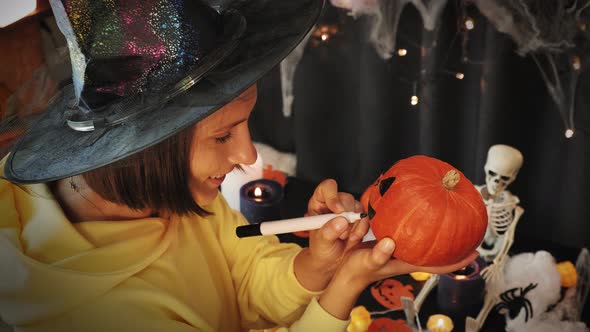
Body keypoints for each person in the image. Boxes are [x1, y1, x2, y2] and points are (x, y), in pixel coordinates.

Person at [0, 0, 477, 331]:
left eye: (244, 126)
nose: (249, 157)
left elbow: (243, 279)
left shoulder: (165, 196)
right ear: (145, 149)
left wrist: (318, 263)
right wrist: (347, 283)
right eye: (224, 135)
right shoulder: (105, 318)